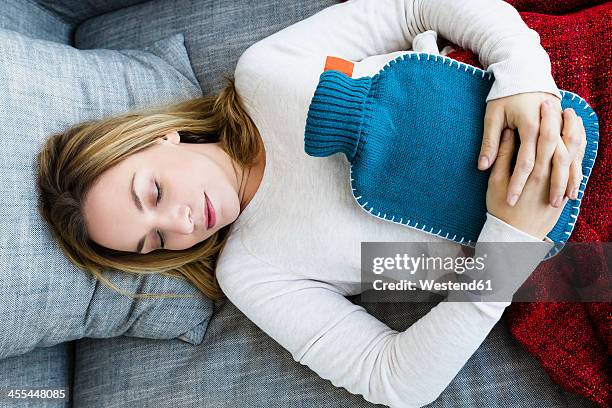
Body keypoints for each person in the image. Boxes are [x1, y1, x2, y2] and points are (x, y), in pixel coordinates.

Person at [36, 0, 587, 406]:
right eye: (155, 240)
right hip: (565, 246)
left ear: (161, 137)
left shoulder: (268, 73)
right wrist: (509, 247)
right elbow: (393, 379)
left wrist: (524, 76)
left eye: (152, 193)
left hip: (557, 83)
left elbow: (415, 6)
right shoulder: (254, 270)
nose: (178, 222)